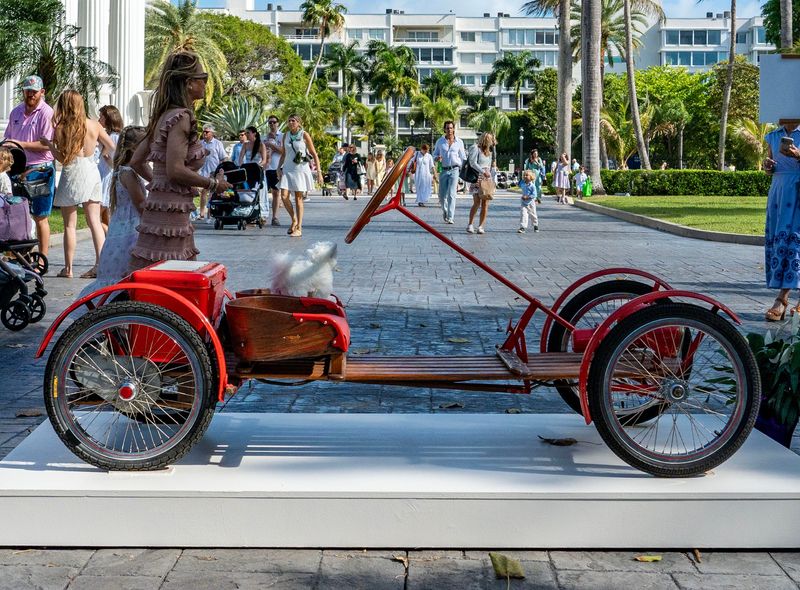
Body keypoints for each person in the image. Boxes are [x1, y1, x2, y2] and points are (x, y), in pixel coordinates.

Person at [129, 50, 232, 271]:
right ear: (188, 83)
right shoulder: (181, 117)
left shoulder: (162, 115)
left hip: (160, 209)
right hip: (171, 217)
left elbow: (137, 161)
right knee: (172, 272)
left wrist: (160, 185)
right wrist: (214, 185)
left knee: (155, 271)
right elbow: (175, 170)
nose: (205, 84)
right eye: (202, 79)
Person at [40, 89, 114, 278]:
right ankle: (100, 264)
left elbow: (63, 158)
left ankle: (69, 268)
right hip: (91, 170)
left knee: (69, 225)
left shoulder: (62, 128)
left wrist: (49, 145)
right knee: (95, 222)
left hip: (72, 172)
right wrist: (103, 152)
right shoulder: (94, 125)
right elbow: (112, 145)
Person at [79, 126, 147, 298]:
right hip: (130, 230)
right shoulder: (129, 173)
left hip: (122, 227)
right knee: (124, 271)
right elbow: (140, 203)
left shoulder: (125, 170)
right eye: (143, 144)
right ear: (133, 147)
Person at [3, 75, 55, 260]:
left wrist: (20, 144)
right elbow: (8, 137)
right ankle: (20, 256)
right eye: (27, 91)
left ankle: (42, 258)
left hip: (40, 170)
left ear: (42, 92)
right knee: (18, 214)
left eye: (34, 92)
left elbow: (46, 145)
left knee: (40, 217)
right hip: (16, 171)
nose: (30, 95)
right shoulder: (16, 112)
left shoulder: (47, 113)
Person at [763, 126, 800, 321]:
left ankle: (782, 299)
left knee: (795, 243)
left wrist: (798, 155)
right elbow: (771, 168)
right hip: (778, 191)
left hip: (798, 190)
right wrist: (768, 166)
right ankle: (783, 298)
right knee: (781, 243)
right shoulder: (773, 135)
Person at [277, 114, 322, 237]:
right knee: (284, 196)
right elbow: (283, 153)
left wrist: (319, 172)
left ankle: (299, 227)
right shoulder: (285, 135)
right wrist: (278, 168)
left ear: (298, 122)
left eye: (293, 121)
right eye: (289, 121)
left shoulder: (304, 134)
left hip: (300, 169)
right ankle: (294, 219)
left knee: (298, 198)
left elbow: (314, 153)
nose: (291, 123)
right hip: (287, 168)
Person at [432, 120, 466, 224]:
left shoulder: (459, 142)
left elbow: (463, 157)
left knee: (452, 194)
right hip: (443, 170)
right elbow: (434, 155)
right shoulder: (440, 141)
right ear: (444, 129)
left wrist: (463, 168)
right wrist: (437, 158)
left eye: (451, 128)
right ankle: (445, 211)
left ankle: (451, 217)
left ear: (454, 129)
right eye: (447, 128)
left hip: (455, 169)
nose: (449, 130)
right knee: (442, 196)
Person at [97, 104, 122, 233]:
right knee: (104, 216)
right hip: (106, 174)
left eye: (101, 117)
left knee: (95, 218)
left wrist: (105, 156)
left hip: (105, 175)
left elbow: (111, 157)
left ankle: (110, 237)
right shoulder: (115, 135)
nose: (99, 119)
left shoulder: (112, 137)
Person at [465, 132, 496, 234]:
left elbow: (490, 165)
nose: (492, 142)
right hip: (477, 177)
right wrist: (483, 171)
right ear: (486, 139)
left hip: (487, 178)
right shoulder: (475, 148)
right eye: (491, 140)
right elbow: (472, 163)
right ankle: (470, 224)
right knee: (477, 203)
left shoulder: (489, 151)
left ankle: (481, 226)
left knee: (485, 203)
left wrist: (491, 175)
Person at [198, 124, 228, 223]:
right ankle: (201, 214)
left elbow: (223, 157)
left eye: (207, 132)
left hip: (214, 171)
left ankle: (210, 214)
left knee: (213, 193)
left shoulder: (217, 143)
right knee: (203, 192)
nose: (204, 134)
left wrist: (222, 171)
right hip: (203, 171)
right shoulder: (200, 143)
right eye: (203, 131)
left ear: (212, 133)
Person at [238, 125, 268, 222]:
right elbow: (241, 158)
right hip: (248, 171)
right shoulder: (245, 145)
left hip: (257, 170)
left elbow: (264, 160)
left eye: (248, 133)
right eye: (245, 133)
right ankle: (248, 212)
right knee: (248, 191)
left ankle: (262, 214)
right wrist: (241, 166)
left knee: (260, 191)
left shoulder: (260, 145)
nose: (246, 135)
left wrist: (258, 166)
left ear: (254, 133)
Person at [263, 115, 284, 226]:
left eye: (274, 122)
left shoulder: (282, 136)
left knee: (276, 192)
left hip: (276, 168)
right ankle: (262, 215)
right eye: (270, 122)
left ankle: (275, 217)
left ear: (278, 123)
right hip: (265, 168)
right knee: (263, 193)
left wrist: (271, 144)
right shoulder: (264, 137)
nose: (272, 124)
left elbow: (282, 151)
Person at [518, 169, 539, 234]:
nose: (525, 176)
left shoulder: (532, 186)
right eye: (524, 175)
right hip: (523, 203)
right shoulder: (523, 184)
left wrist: (527, 197)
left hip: (531, 203)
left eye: (527, 175)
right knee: (523, 215)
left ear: (531, 177)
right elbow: (519, 184)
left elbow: (534, 194)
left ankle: (535, 225)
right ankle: (523, 227)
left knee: (533, 215)